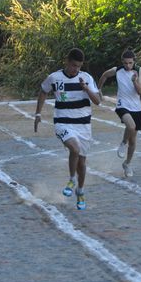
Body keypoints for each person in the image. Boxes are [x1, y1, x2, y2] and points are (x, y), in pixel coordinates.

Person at [34, 48, 101, 210]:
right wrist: (37, 114)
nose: (75, 69)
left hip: (83, 125)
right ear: (67, 61)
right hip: (63, 122)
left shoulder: (86, 78)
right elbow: (43, 91)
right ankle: (71, 179)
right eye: (73, 65)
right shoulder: (54, 78)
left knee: (82, 163)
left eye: (78, 66)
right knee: (74, 149)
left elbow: (98, 101)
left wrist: (86, 89)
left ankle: (80, 191)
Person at [97, 49, 141, 177]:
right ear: (122, 62)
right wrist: (99, 89)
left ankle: (127, 164)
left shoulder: (139, 70)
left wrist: (135, 81)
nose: (127, 66)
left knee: (133, 141)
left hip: (137, 107)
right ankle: (123, 143)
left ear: (134, 61)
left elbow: (140, 92)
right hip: (122, 105)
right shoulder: (117, 70)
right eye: (125, 63)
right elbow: (104, 75)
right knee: (131, 126)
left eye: (130, 63)